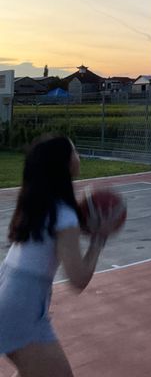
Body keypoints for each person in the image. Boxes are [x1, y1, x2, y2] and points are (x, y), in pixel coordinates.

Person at [0, 135, 117, 377]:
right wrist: (99, 239)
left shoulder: (42, 205)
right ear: (63, 164)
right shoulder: (63, 215)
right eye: (74, 150)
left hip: (12, 294)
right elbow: (78, 279)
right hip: (21, 305)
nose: (78, 155)